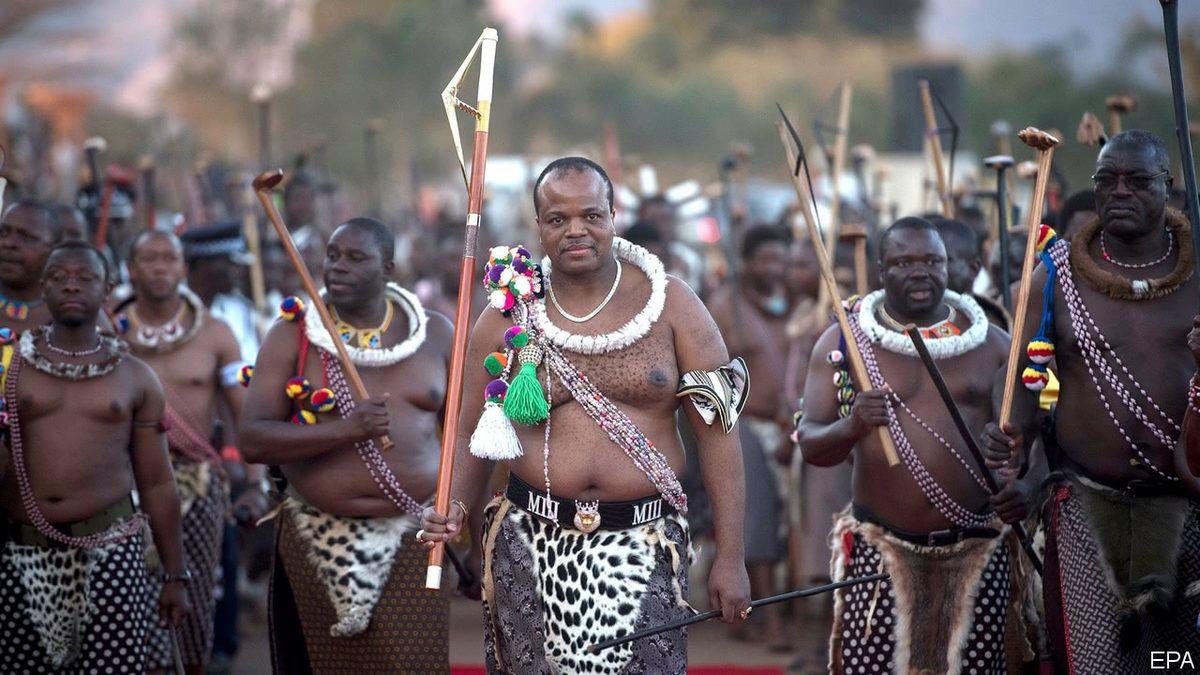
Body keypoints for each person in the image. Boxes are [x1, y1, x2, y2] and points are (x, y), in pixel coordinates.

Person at [420, 156, 751, 673]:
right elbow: (469, 429)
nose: (577, 230)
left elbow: (719, 437)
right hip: (529, 545)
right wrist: (455, 511)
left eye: (592, 215)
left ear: (614, 215)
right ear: (539, 226)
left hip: (645, 546)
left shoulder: (675, 305)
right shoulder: (509, 308)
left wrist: (731, 558)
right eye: (558, 219)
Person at [984, 130, 1200, 670]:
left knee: (1174, 662)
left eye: (1138, 180)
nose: (1120, 191)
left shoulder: (1196, 272)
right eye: (1107, 180)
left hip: (1186, 501)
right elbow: (1021, 387)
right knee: (1096, 662)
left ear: (1168, 186)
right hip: (1087, 501)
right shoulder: (1054, 277)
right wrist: (1010, 439)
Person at [797, 217, 1034, 673]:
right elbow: (811, 444)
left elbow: (1034, 439)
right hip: (880, 549)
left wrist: (1019, 472)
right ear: (882, 270)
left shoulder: (993, 344)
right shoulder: (845, 341)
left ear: (949, 265)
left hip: (978, 546)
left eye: (932, 260)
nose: (920, 271)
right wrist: (852, 426)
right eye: (904, 262)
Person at [241, 216, 454, 672]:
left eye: (356, 258)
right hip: (319, 538)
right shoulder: (292, 337)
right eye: (333, 256)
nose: (337, 267)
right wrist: (343, 430)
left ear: (389, 268)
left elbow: (469, 436)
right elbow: (253, 438)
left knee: (414, 666)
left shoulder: (435, 333)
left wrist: (467, 533)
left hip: (415, 538)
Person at [0, 241, 189, 671]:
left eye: (85, 278)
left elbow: (157, 483)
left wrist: (175, 575)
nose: (72, 286)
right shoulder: (8, 365)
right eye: (60, 277)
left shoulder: (136, 378)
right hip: (19, 549)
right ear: (43, 288)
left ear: (107, 290)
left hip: (111, 552)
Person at [115, 230, 262, 674]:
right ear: (132, 269)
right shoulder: (108, 329)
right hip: (122, 488)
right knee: (128, 604)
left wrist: (254, 484)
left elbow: (243, 414)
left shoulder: (216, 334)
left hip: (197, 488)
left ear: (182, 269)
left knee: (196, 601)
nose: (159, 266)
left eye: (168, 258)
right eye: (148, 258)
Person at [708, 223, 791, 650]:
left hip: (795, 427)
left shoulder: (796, 305)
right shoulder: (724, 307)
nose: (773, 267)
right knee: (756, 513)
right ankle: (770, 620)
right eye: (764, 259)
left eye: (781, 259)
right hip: (744, 426)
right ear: (746, 264)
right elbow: (714, 385)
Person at [180, 221, 261, 363]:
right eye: (232, 264)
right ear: (205, 265)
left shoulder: (238, 310)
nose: (240, 271)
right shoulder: (173, 310)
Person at [933, 216, 1011, 329]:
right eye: (927, 262)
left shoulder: (989, 326)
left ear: (973, 268)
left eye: (941, 261)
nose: (926, 271)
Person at [0, 199, 62, 335]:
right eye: (2, 232)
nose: (8, 243)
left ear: (54, 249)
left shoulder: (74, 316)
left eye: (26, 237)